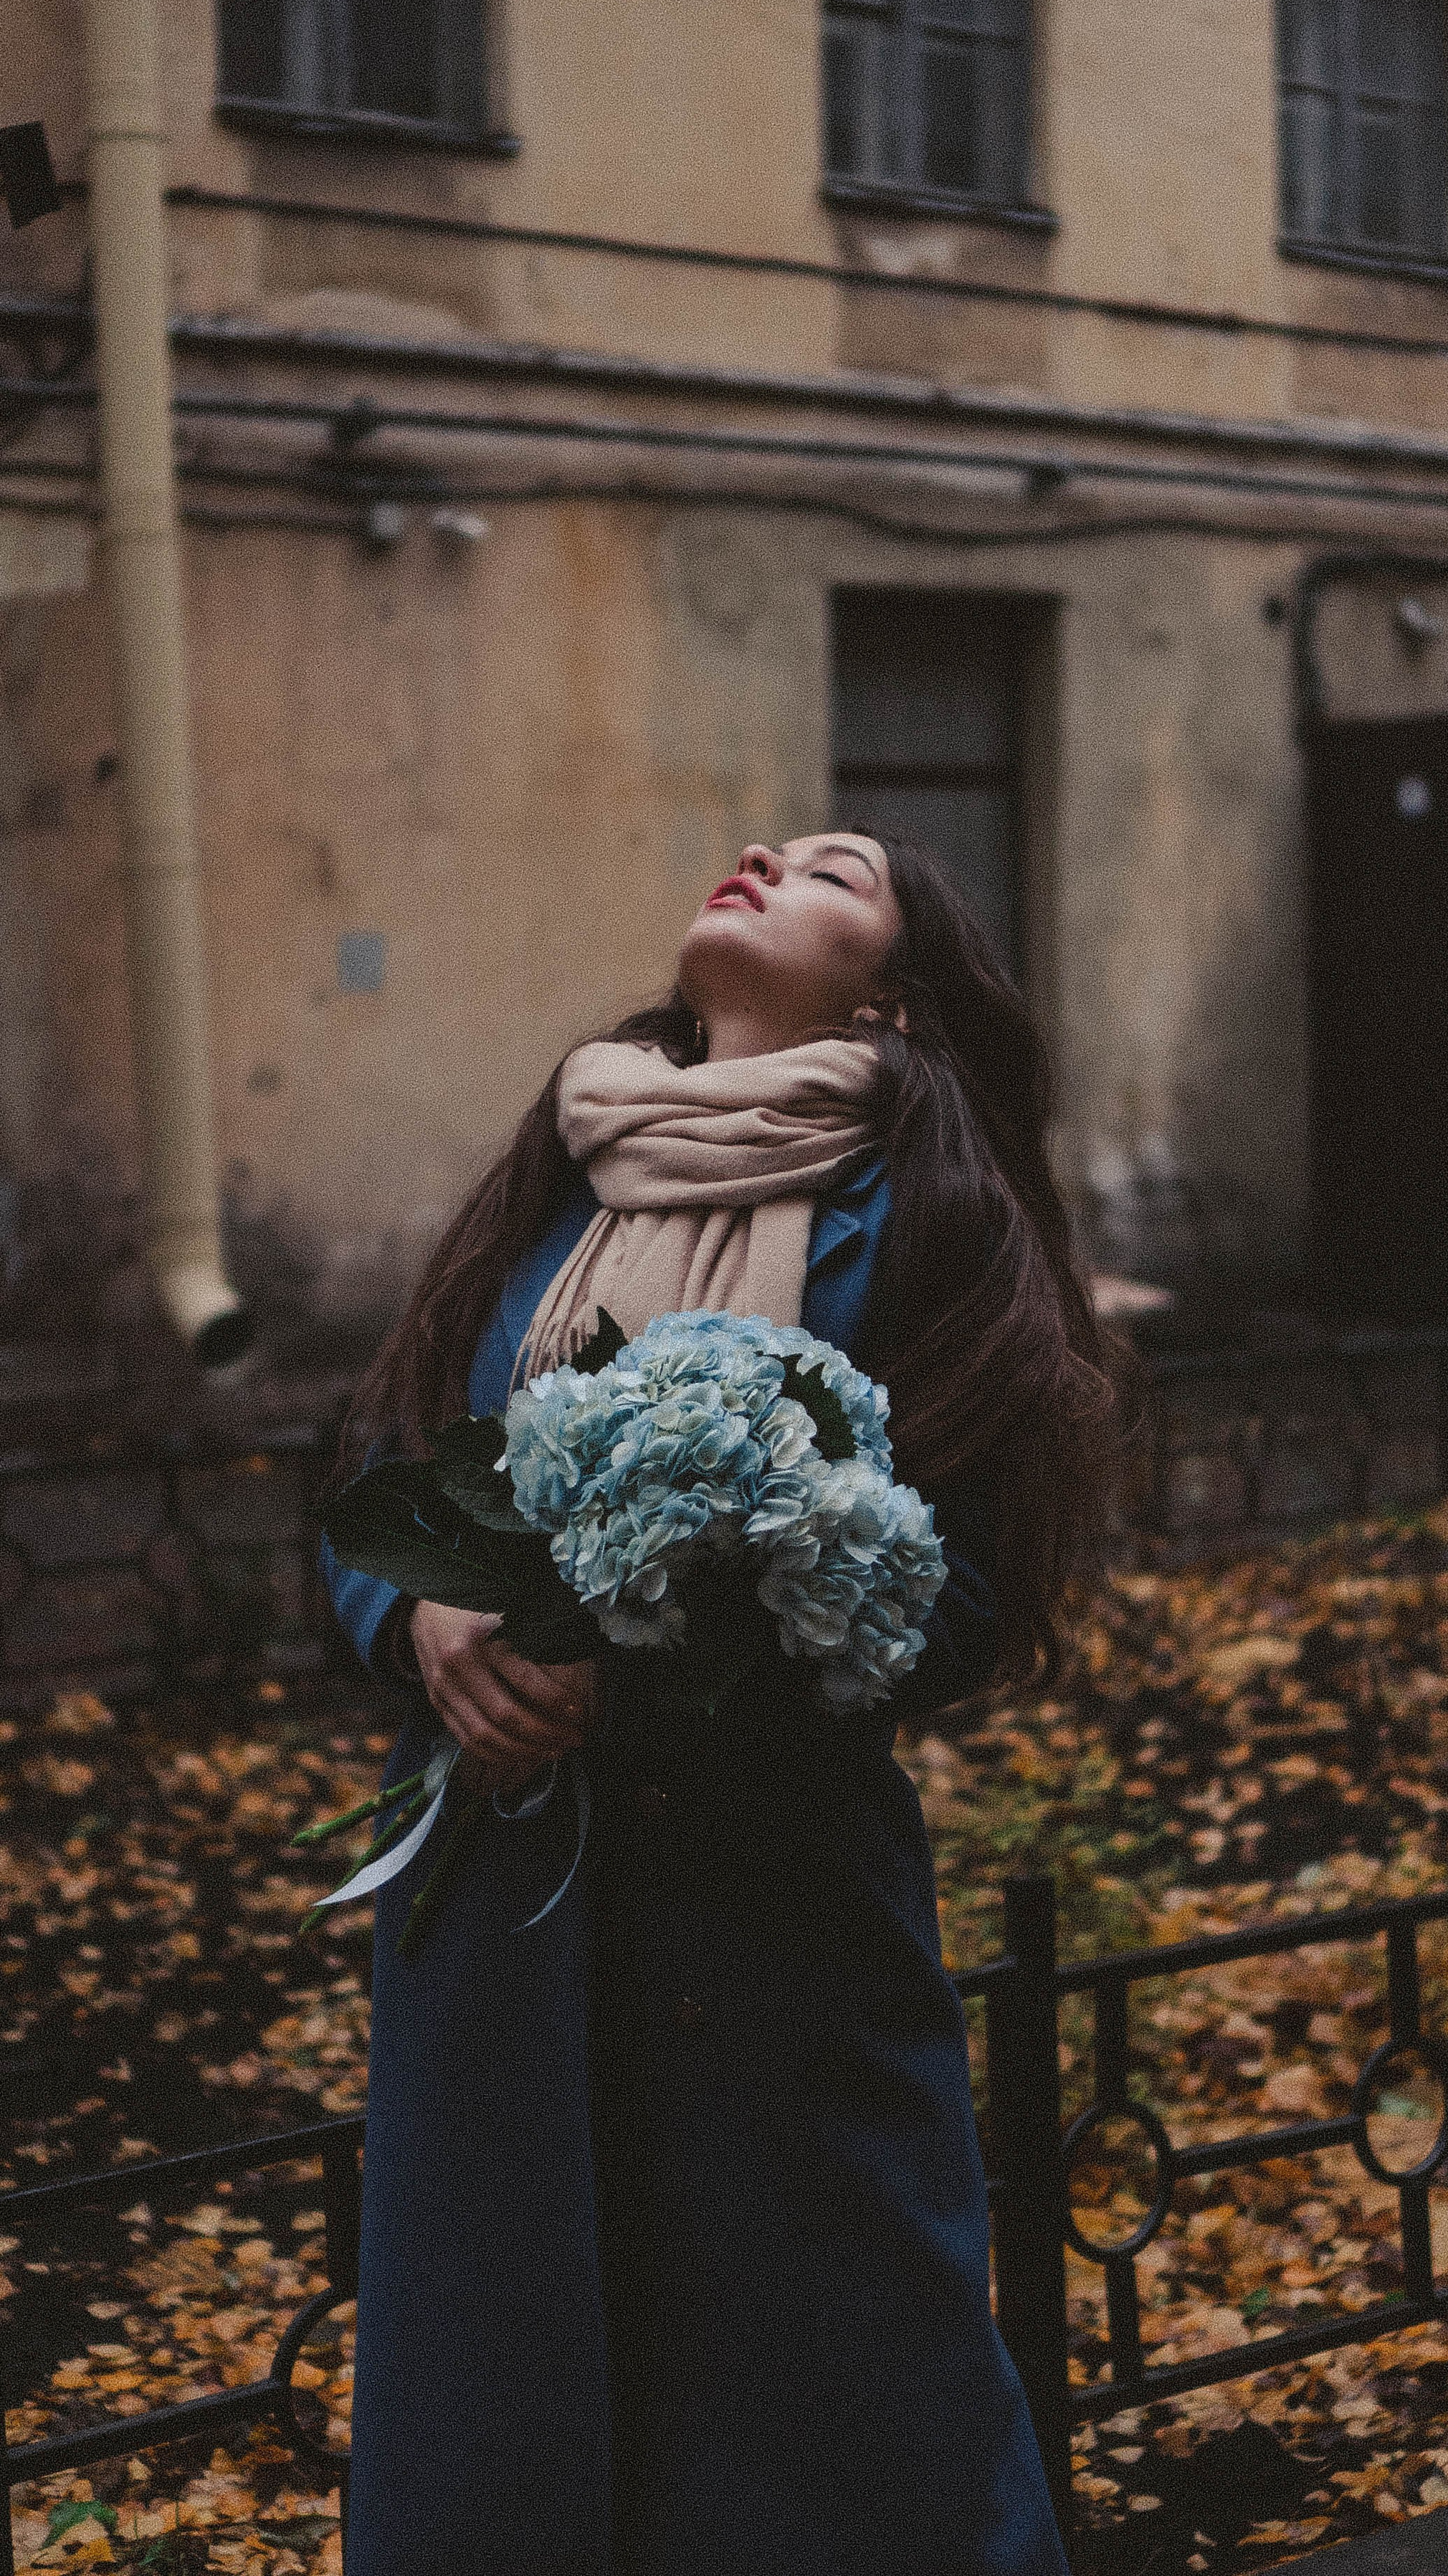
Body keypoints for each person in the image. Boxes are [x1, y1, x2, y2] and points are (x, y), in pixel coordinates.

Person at [319, 832, 1114, 2576]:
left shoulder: (925, 1223)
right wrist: (421, 1610)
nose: (762, 855)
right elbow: (378, 1467)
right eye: (762, 842)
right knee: (508, 2409)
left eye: (836, 867)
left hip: (767, 1920)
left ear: (894, 998)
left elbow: (959, 1602)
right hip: (506, 1930)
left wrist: (722, 1578)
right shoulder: (570, 1159)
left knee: (837, 2414)